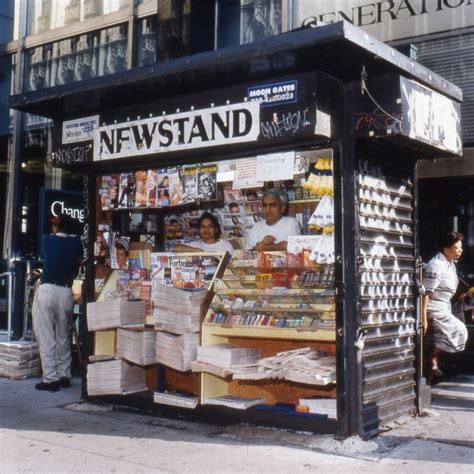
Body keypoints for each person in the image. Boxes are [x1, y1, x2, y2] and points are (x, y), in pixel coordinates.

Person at [32, 214, 82, 392]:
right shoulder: (76, 243)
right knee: (63, 336)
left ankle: (50, 379)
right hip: (66, 291)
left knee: (46, 335)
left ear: (56, 228)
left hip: (47, 289)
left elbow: (46, 255)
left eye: (53, 225)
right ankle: (64, 375)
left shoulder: (46, 240)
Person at [422, 231, 469, 379]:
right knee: (460, 331)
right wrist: (423, 319)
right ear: (446, 248)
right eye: (456, 248)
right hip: (434, 309)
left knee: (444, 339)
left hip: (445, 308)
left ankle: (432, 360)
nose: (460, 251)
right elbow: (425, 293)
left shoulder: (449, 264)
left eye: (461, 247)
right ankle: (432, 356)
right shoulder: (436, 265)